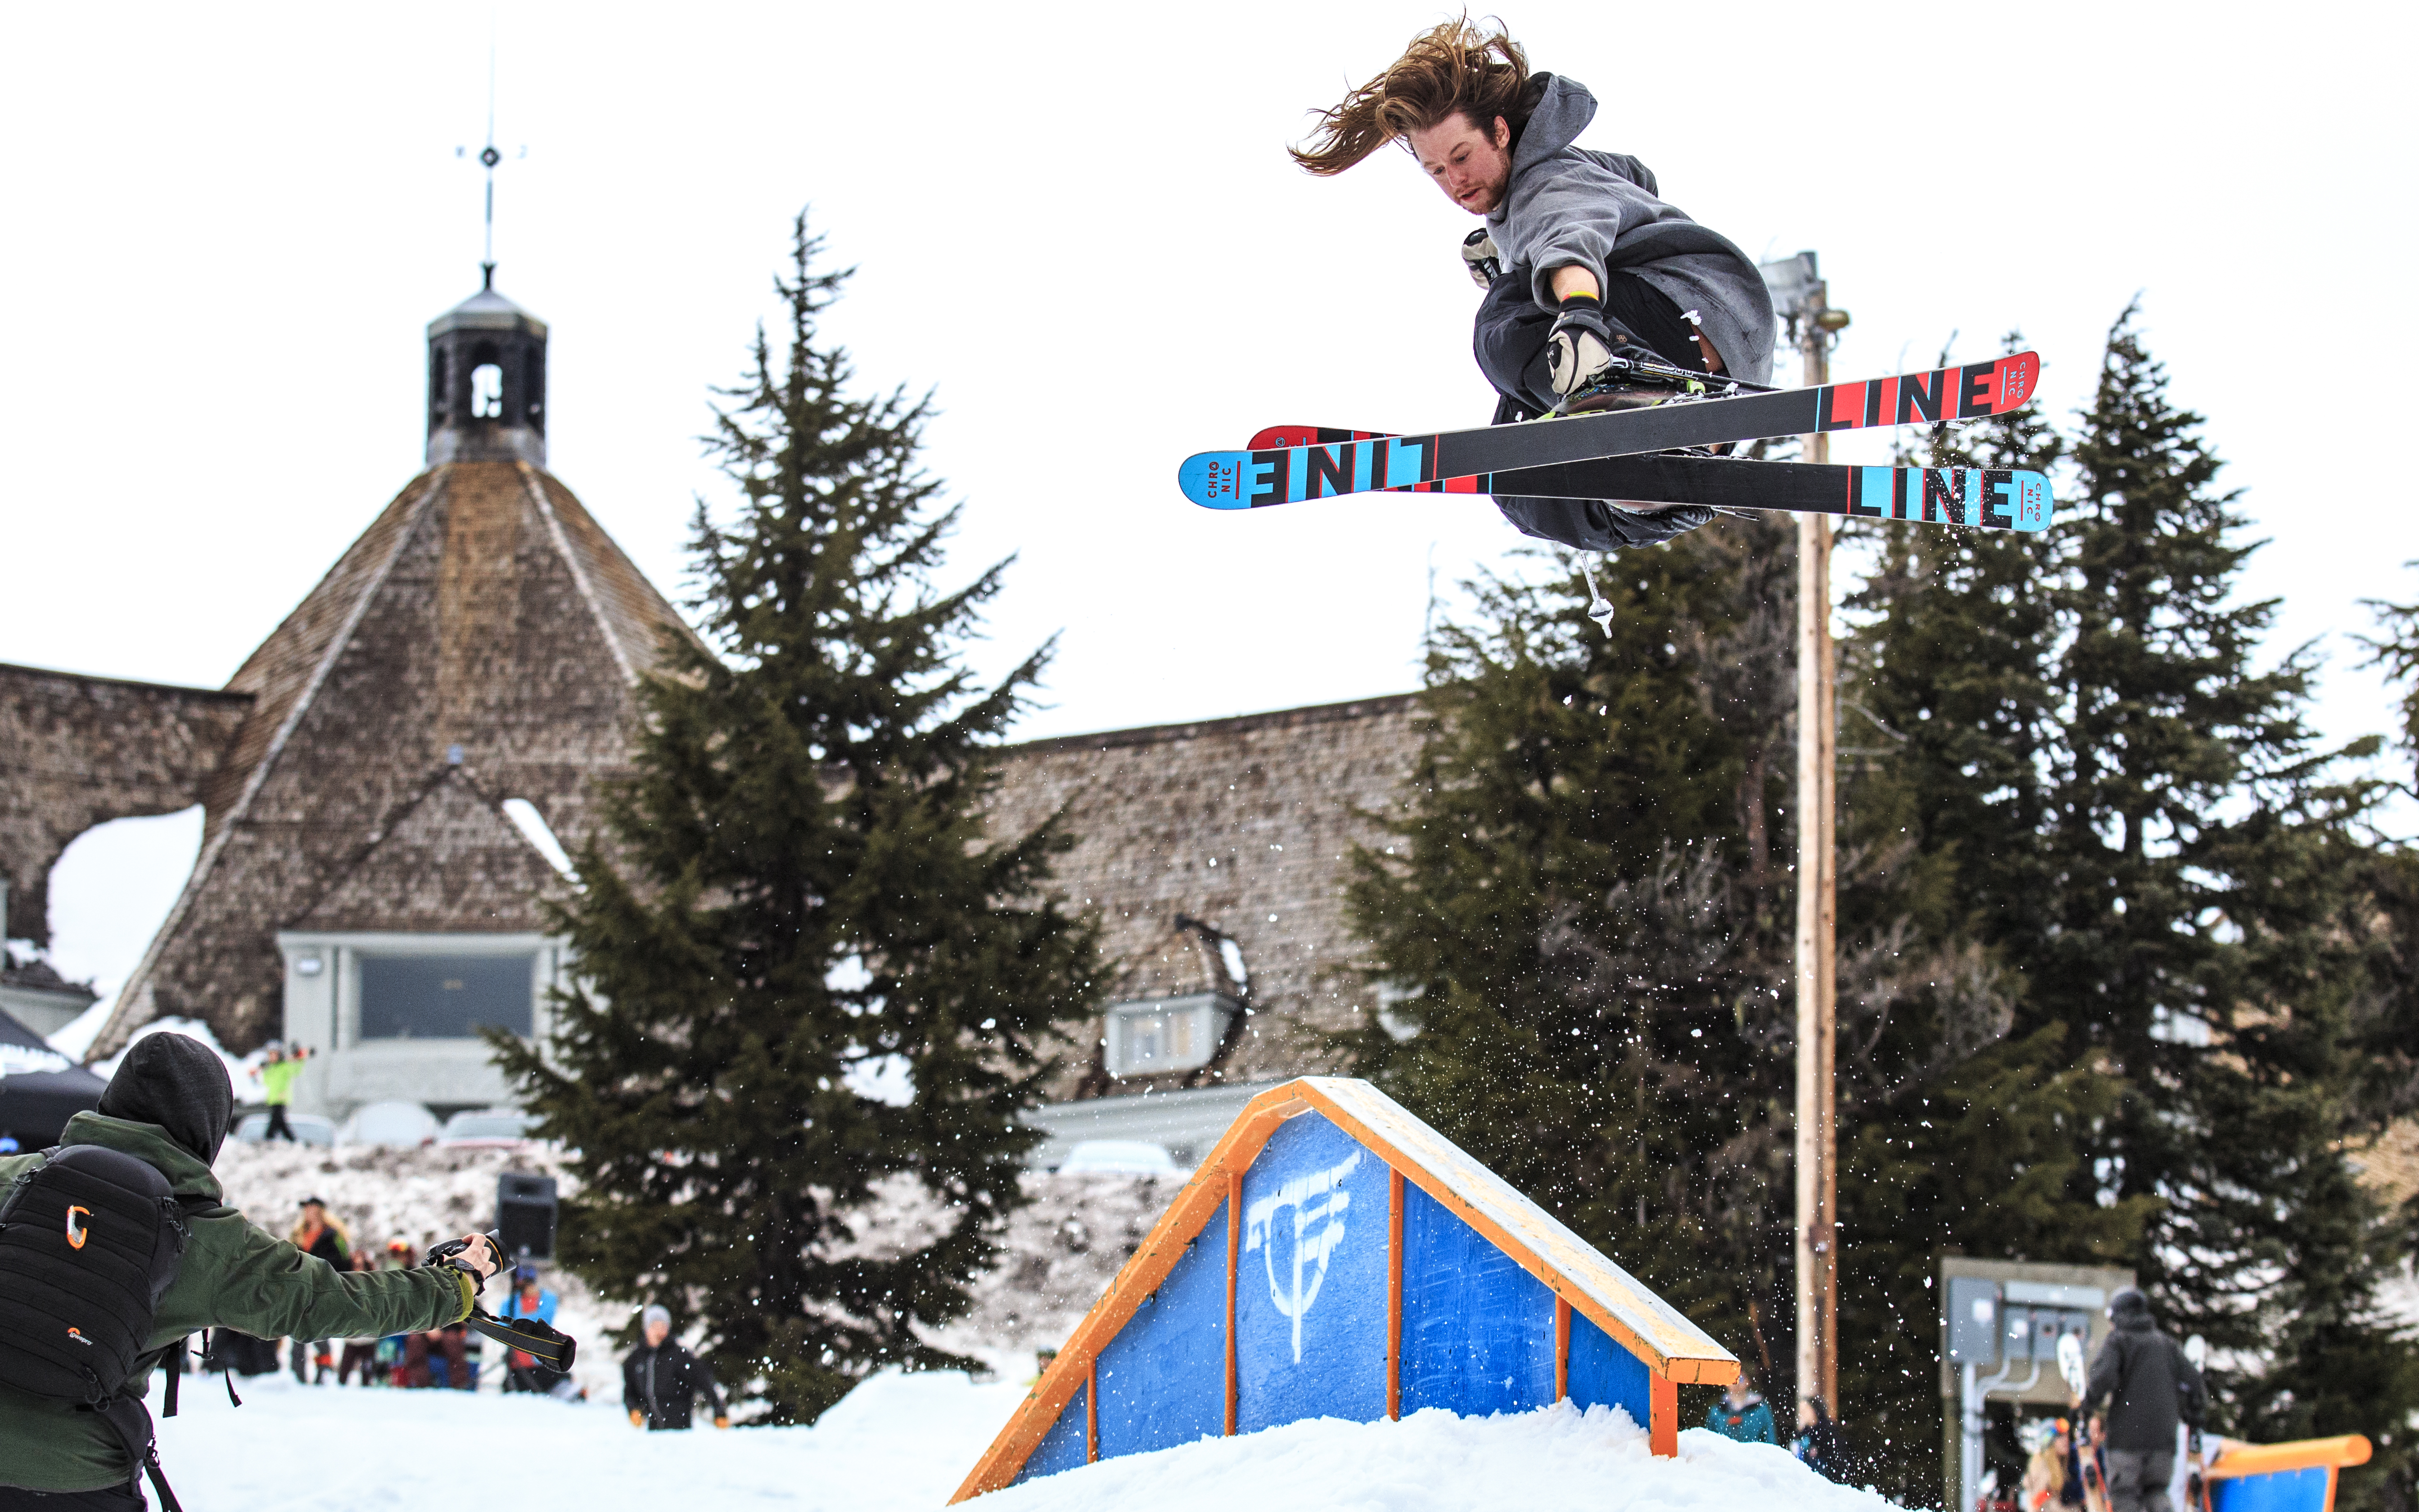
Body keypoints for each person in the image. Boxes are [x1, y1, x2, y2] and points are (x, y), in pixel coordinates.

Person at [1291, 18, 1774, 553]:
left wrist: (1580, 312)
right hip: (1725, 355)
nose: (1456, 182)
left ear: (1500, 131)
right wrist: (1512, 255)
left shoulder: (1542, 185)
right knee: (1520, 476)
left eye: (1461, 157)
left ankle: (1625, 386)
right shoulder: (1560, 175)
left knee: (1501, 326)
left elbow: (1570, 234)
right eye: (1436, 171)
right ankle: (1658, 483)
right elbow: (1637, 177)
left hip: (1692, 312)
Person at [0, 1032, 501, 1509]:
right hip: (77, 1479)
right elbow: (331, 1300)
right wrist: (454, 1282)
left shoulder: (13, 1180)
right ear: (207, 1129)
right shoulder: (204, 1237)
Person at [2083, 1289, 2207, 1512]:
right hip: (2163, 1441)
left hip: (2126, 1439)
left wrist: (2086, 1407)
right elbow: (2194, 1382)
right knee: (2156, 1492)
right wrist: (2194, 1416)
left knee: (2124, 1494)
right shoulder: (2167, 1344)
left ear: (2118, 1316)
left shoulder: (2119, 1341)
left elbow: (2103, 1377)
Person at [623, 1305, 729, 1431]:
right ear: (646, 1329)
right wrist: (633, 1409)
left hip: (680, 1429)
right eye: (655, 1326)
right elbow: (630, 1391)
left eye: (663, 1327)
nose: (659, 1331)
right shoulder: (636, 1359)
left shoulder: (680, 1356)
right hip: (651, 1431)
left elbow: (704, 1381)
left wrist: (719, 1410)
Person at [287, 1196, 350, 1383]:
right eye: (306, 1209)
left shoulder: (334, 1235)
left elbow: (343, 1262)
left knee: (320, 1334)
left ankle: (323, 1372)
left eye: (312, 1208)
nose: (309, 1212)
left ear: (320, 1211)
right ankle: (297, 1377)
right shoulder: (297, 1235)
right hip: (300, 1290)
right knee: (296, 1332)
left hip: (322, 1289)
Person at [499, 1266, 569, 1396]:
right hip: (517, 1364)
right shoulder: (511, 1302)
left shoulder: (547, 1299)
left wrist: (519, 1322)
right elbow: (501, 1324)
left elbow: (543, 1320)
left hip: (540, 1364)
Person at [251, 1043, 310, 1142]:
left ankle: (269, 1138)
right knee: (280, 1122)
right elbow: (266, 1082)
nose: (272, 1057)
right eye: (271, 1054)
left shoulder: (285, 1066)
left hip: (282, 1098)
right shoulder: (270, 1068)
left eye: (275, 1054)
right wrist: (261, 1071)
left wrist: (301, 1059)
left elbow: (297, 1070)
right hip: (273, 1099)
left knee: (275, 1121)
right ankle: (292, 1141)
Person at [1705, 1369, 1776, 1444]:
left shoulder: (1761, 1409)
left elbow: (1770, 1439)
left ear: (1748, 1382)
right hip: (1724, 1455)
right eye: (1732, 1379)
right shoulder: (1717, 1411)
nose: (1736, 1383)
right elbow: (1710, 1441)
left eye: (1741, 1379)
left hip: (1753, 1455)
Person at [1794, 1395, 1846, 1480]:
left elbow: (1836, 1458)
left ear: (1814, 1410)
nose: (1801, 1413)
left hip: (1826, 1478)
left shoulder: (1828, 1429)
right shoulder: (1804, 1431)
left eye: (1806, 1409)